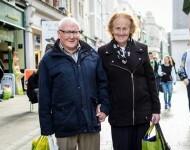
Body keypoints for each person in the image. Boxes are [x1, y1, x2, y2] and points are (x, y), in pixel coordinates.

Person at [38, 17, 110, 150]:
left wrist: (104, 106)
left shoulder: (92, 55)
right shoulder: (48, 60)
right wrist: (47, 129)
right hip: (64, 124)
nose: (72, 36)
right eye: (67, 32)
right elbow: (44, 95)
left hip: (90, 122)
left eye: (75, 32)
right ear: (59, 34)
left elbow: (102, 84)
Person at [98, 12, 161, 150]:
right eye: (117, 28)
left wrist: (156, 109)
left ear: (131, 29)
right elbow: (102, 84)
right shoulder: (103, 52)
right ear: (111, 29)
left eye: (125, 28)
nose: (121, 32)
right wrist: (103, 107)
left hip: (142, 114)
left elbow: (151, 81)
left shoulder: (141, 49)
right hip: (118, 116)